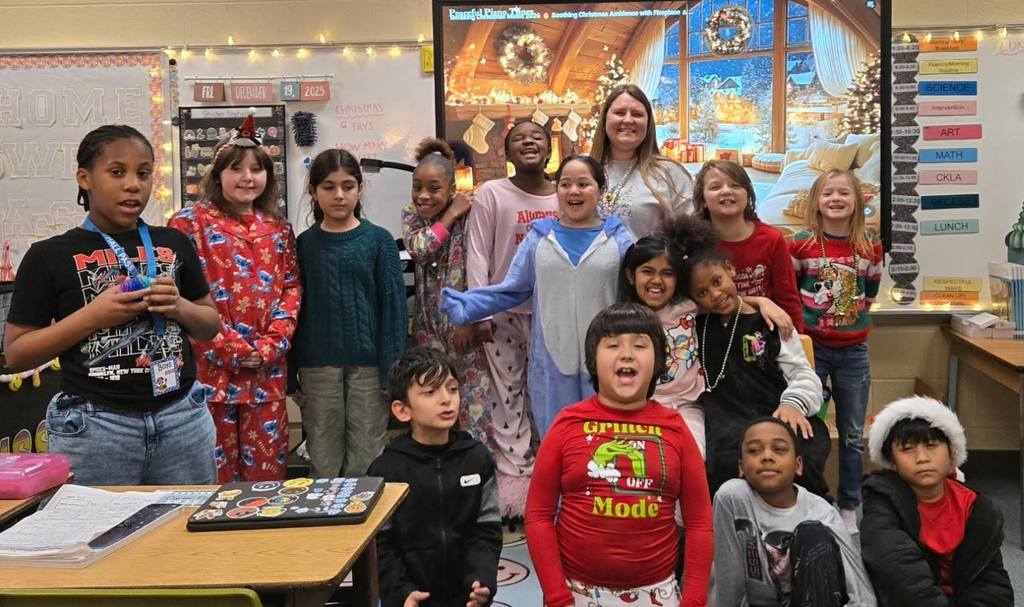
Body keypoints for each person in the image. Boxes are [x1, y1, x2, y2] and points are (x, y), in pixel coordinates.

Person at [4, 124, 220, 485]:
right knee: (95, 538)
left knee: (181, 534)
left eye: (144, 173)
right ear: (85, 178)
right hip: (95, 426)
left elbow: (209, 325)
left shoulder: (174, 242)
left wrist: (179, 306)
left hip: (182, 418)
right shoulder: (48, 256)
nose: (133, 185)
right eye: (117, 172)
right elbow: (17, 354)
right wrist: (93, 315)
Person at [525, 303, 712, 607]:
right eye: (612, 345)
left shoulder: (675, 428)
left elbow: (700, 522)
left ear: (659, 362)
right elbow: (538, 515)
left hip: (658, 594)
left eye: (640, 345)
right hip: (575, 594)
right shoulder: (567, 423)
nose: (626, 354)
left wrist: (693, 599)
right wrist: (557, 595)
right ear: (593, 361)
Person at [442, 155, 635, 436]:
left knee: (609, 441)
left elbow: (639, 287)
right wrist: (469, 306)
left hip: (610, 360)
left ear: (600, 190)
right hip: (553, 363)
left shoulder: (619, 237)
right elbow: (515, 289)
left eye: (584, 184)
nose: (574, 191)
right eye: (565, 184)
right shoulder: (540, 238)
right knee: (559, 437)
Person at [168, 113, 301, 482]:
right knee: (211, 480)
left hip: (266, 373)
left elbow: (291, 287)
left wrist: (273, 344)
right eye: (236, 169)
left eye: (256, 169)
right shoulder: (188, 224)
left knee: (267, 479)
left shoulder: (279, 228)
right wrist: (233, 349)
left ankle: (263, 542)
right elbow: (179, 296)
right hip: (211, 372)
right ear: (217, 174)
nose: (247, 177)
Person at [619, 215, 794, 457]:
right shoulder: (623, 319)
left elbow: (723, 301)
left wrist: (762, 301)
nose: (657, 280)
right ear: (631, 276)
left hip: (688, 405)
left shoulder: (689, 307)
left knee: (694, 458)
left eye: (667, 273)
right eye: (647, 271)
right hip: (639, 405)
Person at [682, 241, 830, 498]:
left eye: (717, 281)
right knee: (723, 466)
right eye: (702, 293)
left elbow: (803, 373)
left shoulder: (771, 321)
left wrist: (793, 404)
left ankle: (806, 524)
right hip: (726, 422)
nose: (714, 295)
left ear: (730, 270)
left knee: (801, 453)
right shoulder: (696, 327)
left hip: (777, 411)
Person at [292, 148, 406, 478]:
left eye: (348, 186)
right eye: (328, 187)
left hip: (370, 370)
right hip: (316, 369)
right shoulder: (304, 245)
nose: (339, 195)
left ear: (359, 189)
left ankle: (367, 530)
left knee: (367, 459)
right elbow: (292, 311)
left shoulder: (379, 241)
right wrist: (289, 373)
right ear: (314, 191)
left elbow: (394, 314)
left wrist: (391, 373)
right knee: (323, 459)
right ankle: (325, 529)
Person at [465, 119, 559, 515]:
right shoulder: (493, 193)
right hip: (502, 312)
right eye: (518, 138)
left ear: (549, 149)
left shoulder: (563, 195)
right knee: (507, 395)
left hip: (549, 313)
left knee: (547, 393)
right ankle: (516, 481)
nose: (528, 142)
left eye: (536, 136)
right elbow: (478, 251)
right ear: (506, 153)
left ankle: (552, 475)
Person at [368, 347, 502, 607]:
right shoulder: (386, 470)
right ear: (402, 410)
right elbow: (380, 544)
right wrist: (401, 592)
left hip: (466, 598)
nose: (446, 399)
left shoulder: (477, 459)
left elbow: (486, 530)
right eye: (430, 392)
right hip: (411, 599)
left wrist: (482, 579)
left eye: (452, 389)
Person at [790, 169, 884, 533]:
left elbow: (871, 294)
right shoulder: (799, 245)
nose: (835, 199)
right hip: (813, 352)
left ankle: (849, 503)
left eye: (844, 193)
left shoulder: (870, 247)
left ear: (857, 201)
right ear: (816, 201)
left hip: (853, 352)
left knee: (850, 434)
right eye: (828, 193)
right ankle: (808, 497)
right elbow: (792, 291)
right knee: (806, 427)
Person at [861, 396, 1014, 606]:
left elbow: (991, 582)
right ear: (891, 461)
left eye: (932, 445)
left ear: (951, 451)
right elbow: (900, 576)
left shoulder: (974, 507)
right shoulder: (882, 502)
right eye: (907, 449)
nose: (922, 457)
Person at [712, 418, 877, 607]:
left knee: (812, 532)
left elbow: (861, 593)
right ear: (741, 467)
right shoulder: (733, 498)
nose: (767, 456)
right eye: (754, 450)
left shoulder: (821, 511)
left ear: (798, 464)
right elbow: (729, 581)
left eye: (779, 449)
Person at [402, 137, 497, 459]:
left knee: (473, 406)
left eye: (434, 188)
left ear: (452, 187)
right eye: (417, 187)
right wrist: (449, 215)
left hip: (465, 328)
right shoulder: (412, 215)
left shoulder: (472, 213)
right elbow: (418, 249)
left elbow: (482, 266)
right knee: (433, 403)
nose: (423, 196)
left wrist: (471, 319)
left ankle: (479, 475)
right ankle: (439, 470)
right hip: (428, 329)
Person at [691, 159, 803, 331]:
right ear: (703, 200)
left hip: (761, 332)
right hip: (710, 333)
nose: (726, 191)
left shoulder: (771, 239)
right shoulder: (693, 243)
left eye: (735, 185)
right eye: (715, 187)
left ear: (748, 194)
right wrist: (758, 300)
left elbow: (788, 298)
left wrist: (798, 341)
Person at [590, 84, 693, 238]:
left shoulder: (670, 173)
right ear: (605, 119)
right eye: (619, 112)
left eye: (637, 114)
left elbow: (692, 237)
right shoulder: (585, 171)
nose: (628, 120)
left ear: (648, 123)